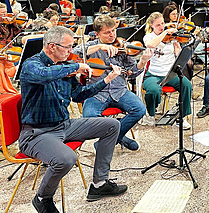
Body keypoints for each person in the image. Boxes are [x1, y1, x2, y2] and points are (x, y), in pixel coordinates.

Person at [18, 26, 128, 211]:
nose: (71, 52)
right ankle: (42, 199)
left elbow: (78, 95)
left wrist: (106, 80)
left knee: (111, 125)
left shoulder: (64, 68)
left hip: (64, 125)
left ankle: (100, 184)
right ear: (52, 47)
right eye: (68, 48)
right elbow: (45, 75)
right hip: (37, 133)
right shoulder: (32, 65)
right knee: (66, 158)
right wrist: (76, 66)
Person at [74, 15, 152, 151]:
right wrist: (99, 47)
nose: (112, 35)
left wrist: (142, 62)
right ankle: (121, 138)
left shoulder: (122, 47)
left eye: (113, 31)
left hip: (119, 90)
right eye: (107, 32)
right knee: (89, 118)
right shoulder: (92, 46)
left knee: (139, 109)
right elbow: (74, 54)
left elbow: (132, 72)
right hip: (96, 93)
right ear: (97, 34)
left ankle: (111, 139)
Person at [142, 12, 192, 129]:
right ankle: (151, 114)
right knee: (153, 91)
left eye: (163, 24)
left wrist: (178, 49)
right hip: (154, 74)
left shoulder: (172, 38)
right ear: (151, 25)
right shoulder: (149, 37)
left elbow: (179, 55)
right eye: (158, 25)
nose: (161, 26)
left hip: (170, 74)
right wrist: (164, 32)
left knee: (187, 85)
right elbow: (151, 45)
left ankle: (182, 117)